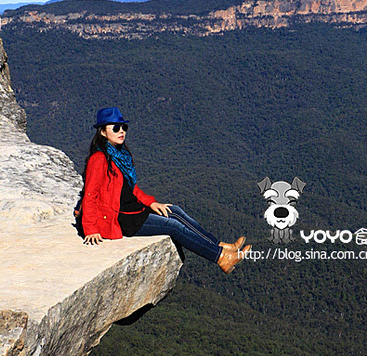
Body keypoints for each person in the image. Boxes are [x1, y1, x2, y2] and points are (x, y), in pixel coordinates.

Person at [76, 107, 251, 274]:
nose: (121, 131)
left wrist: (151, 202)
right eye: (115, 128)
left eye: (124, 127)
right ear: (102, 132)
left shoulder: (119, 154)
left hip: (133, 210)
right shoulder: (99, 159)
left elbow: (131, 188)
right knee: (172, 226)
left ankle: (219, 245)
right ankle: (220, 257)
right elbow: (90, 195)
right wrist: (91, 228)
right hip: (121, 218)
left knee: (175, 211)